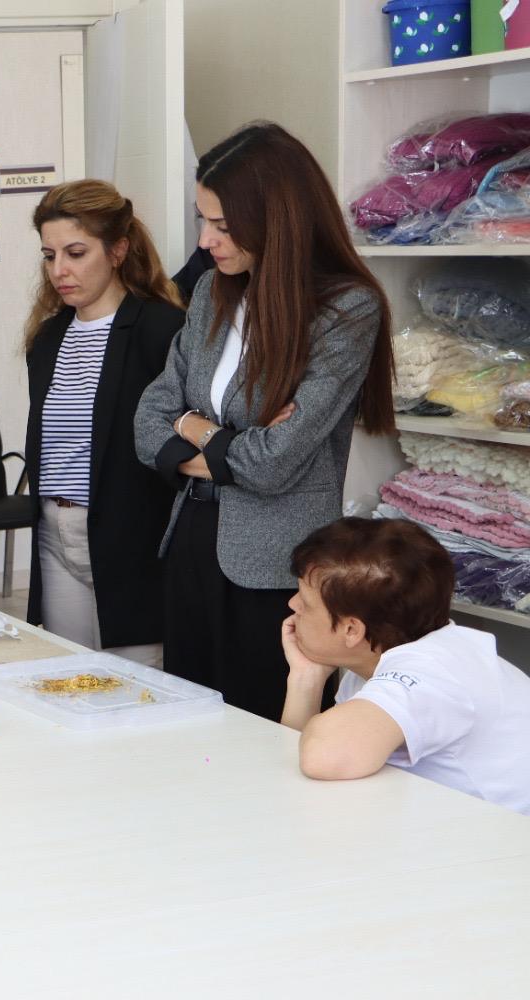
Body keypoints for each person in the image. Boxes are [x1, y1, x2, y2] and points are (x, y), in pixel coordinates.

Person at [133, 122, 396, 720]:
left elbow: (275, 464)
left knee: (267, 733)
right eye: (203, 220)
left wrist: (193, 426)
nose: (205, 241)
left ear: (277, 219)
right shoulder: (210, 292)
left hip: (277, 567)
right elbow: (148, 420)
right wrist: (223, 440)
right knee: (190, 729)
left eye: (223, 226)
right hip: (192, 543)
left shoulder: (346, 310)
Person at [21, 180, 185, 663]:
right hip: (55, 530)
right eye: (49, 256)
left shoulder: (160, 329)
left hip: (131, 534)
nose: (60, 270)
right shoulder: (48, 338)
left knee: (139, 686)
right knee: (73, 680)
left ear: (118, 251)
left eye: (76, 253)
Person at [280, 517, 530, 814]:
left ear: (351, 630)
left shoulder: (429, 671)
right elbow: (295, 769)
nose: (293, 604)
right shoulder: (384, 655)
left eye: (306, 602)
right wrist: (305, 678)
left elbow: (323, 756)